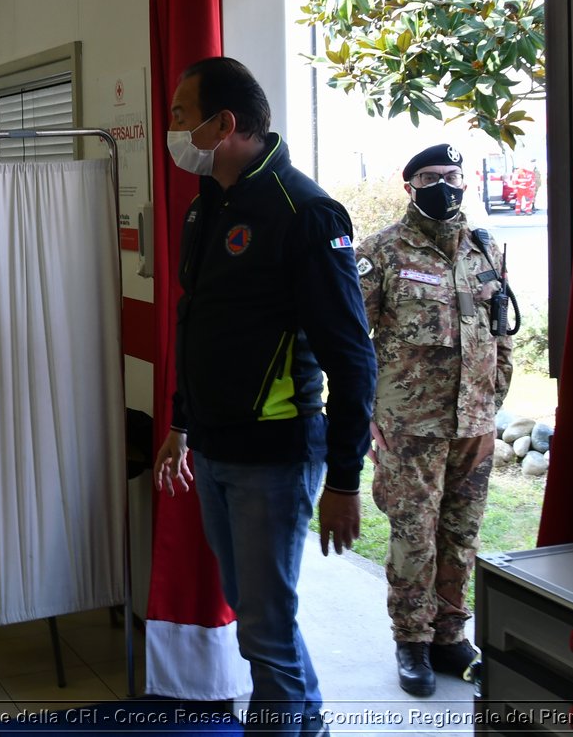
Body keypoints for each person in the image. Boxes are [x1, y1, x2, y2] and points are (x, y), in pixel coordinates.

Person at [152, 57, 376, 737]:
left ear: (226, 124)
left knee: (265, 633)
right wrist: (180, 424)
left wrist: (344, 478)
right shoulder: (207, 206)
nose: (172, 128)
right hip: (216, 447)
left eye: (181, 114)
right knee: (254, 612)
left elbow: (352, 355)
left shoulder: (303, 210)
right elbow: (201, 322)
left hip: (275, 456)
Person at [356, 144, 512, 695]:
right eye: (430, 176)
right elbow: (354, 343)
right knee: (414, 536)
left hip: (475, 423)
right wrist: (365, 417)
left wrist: (493, 403)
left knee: (460, 534)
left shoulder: (485, 250)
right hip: (409, 426)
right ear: (409, 187)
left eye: (452, 175)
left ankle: (450, 636)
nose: (443, 185)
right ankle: (412, 642)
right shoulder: (381, 252)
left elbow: (501, 333)